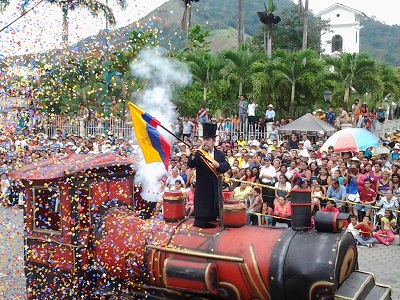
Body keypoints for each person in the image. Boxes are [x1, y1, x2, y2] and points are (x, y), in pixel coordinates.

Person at [188, 123, 230, 228]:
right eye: (204, 139)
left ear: (213, 141)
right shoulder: (199, 153)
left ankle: (213, 220)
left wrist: (218, 165)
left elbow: (226, 166)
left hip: (215, 186)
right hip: (203, 187)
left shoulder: (219, 154)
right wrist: (192, 155)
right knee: (202, 207)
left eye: (208, 140)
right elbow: (191, 164)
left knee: (214, 205)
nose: (205, 142)